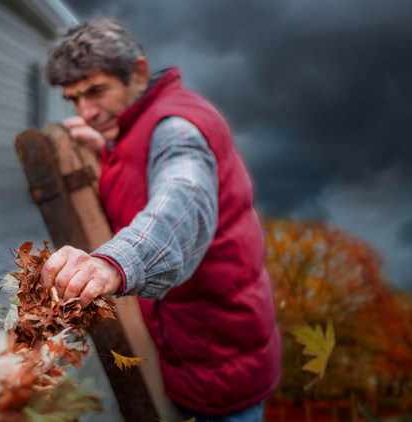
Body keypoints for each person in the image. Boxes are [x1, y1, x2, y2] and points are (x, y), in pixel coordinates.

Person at [41, 17, 281, 422]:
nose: (87, 110)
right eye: (75, 98)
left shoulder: (176, 130)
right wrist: (109, 151)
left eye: (96, 91)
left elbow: (178, 210)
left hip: (218, 364)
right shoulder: (134, 127)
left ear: (137, 73)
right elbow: (145, 180)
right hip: (190, 349)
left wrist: (110, 263)